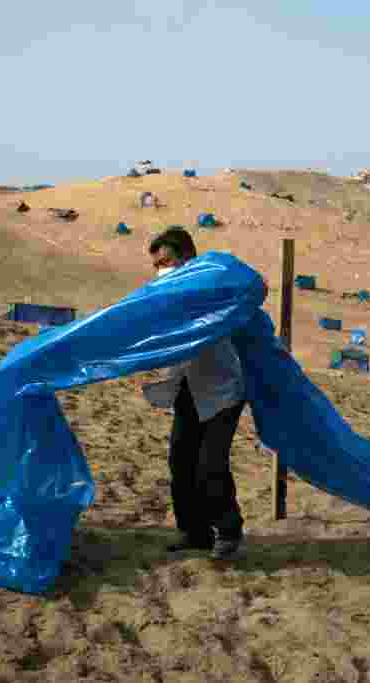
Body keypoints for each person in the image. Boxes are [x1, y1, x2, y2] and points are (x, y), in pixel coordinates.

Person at [141, 227, 264, 560]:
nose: (162, 270)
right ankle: (194, 532)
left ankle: (228, 531)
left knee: (211, 463)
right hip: (187, 386)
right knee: (180, 461)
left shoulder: (214, 289)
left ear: (187, 259)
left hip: (224, 389)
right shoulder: (164, 295)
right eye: (157, 264)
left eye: (167, 262)